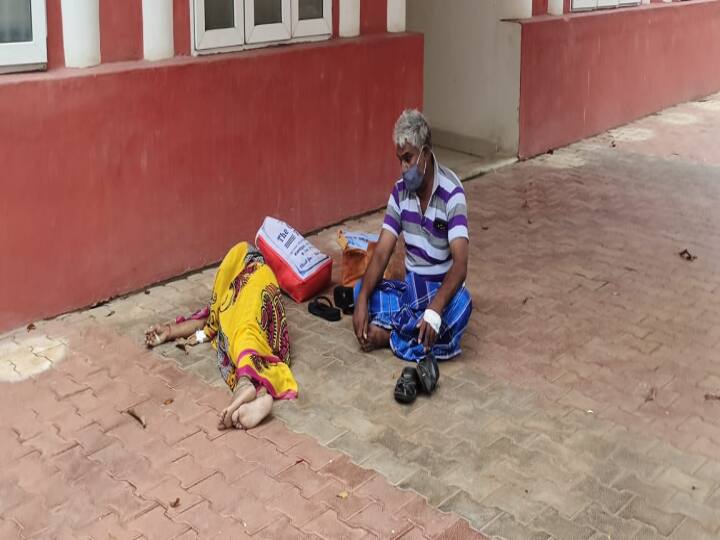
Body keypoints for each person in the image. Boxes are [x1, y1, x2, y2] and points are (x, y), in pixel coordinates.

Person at [352, 109, 472, 364]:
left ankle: (389, 335)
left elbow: (460, 265)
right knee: (362, 289)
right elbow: (383, 251)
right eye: (400, 160)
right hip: (411, 291)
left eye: (408, 158)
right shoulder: (399, 193)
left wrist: (436, 308)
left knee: (462, 305)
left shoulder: (453, 192)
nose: (403, 168)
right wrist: (362, 300)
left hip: (442, 292)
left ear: (426, 154)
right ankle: (417, 336)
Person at [145, 242, 297, 430]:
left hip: (248, 319)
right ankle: (259, 394)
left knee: (243, 337)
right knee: (254, 344)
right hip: (264, 323)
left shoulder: (235, 282)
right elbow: (212, 317)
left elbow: (211, 320)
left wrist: (172, 331)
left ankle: (245, 386)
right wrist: (168, 331)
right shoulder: (260, 276)